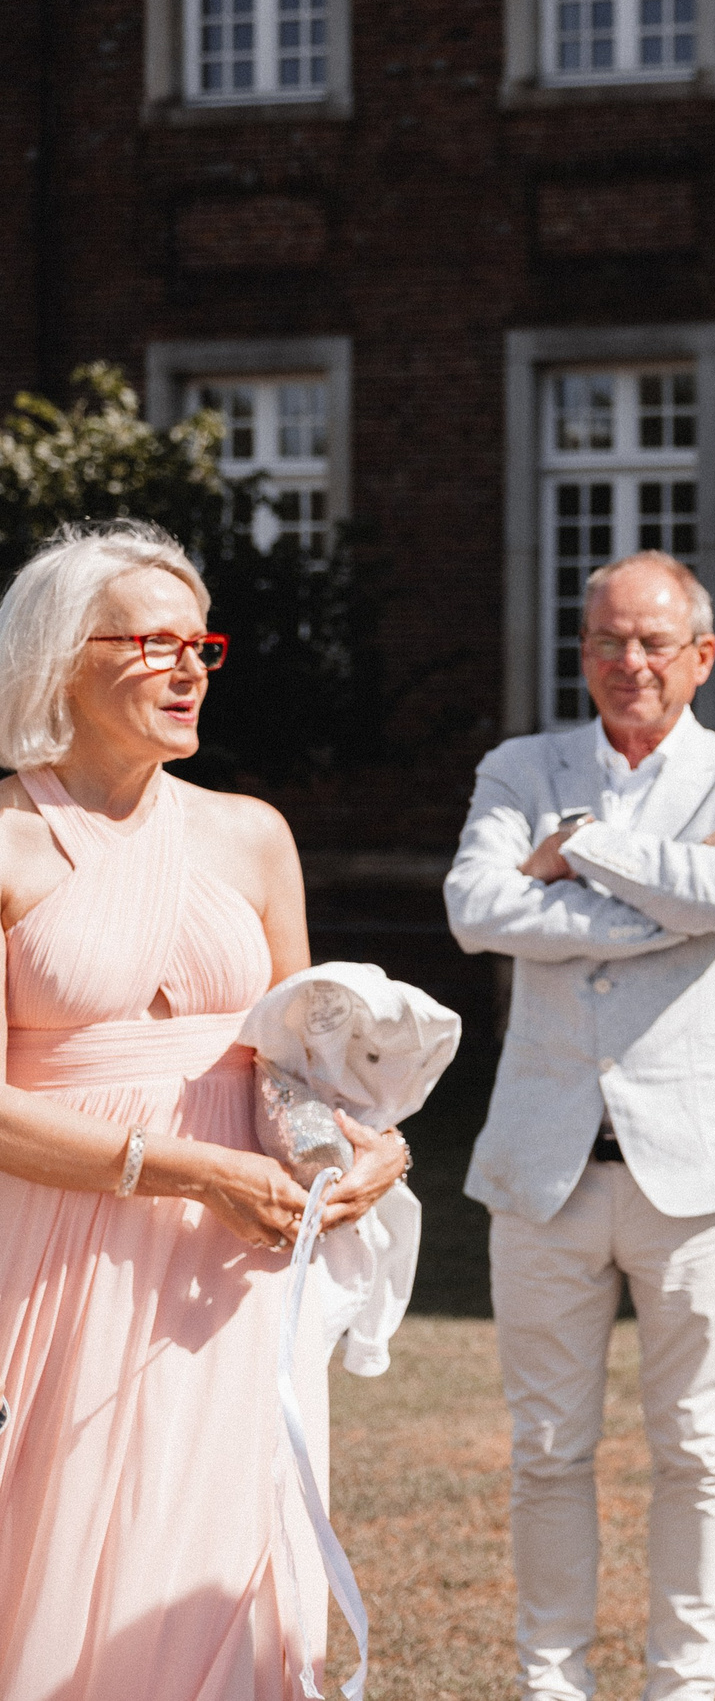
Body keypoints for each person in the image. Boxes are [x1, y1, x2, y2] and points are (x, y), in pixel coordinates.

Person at [0, 520, 407, 1698]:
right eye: (154, 643)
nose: (188, 668)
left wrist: (356, 1151)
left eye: (203, 645)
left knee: (230, 1551)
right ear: (64, 658)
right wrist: (187, 1173)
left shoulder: (252, 836)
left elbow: (294, 1066)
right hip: (55, 1265)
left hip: (233, 1271)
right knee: (61, 1557)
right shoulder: (7, 842)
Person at [445, 550, 715, 1701]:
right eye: (606, 640)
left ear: (701, 656)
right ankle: (553, 1683)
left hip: (698, 1172)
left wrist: (581, 848)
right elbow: (473, 911)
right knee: (547, 1450)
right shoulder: (517, 766)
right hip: (544, 1164)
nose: (627, 663)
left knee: (694, 1448)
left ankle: (682, 1685)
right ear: (581, 649)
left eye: (653, 642)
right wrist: (665, 899)